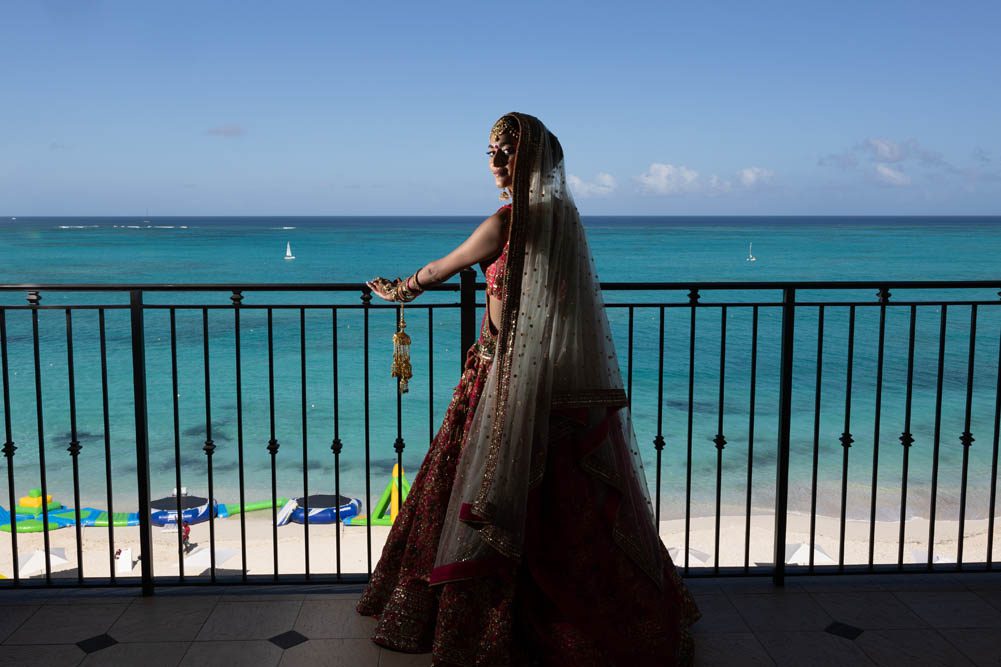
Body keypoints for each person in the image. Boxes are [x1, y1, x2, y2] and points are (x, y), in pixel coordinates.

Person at [359, 113, 699, 666]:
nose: (495, 163)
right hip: (551, 381)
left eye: (506, 153)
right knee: (559, 504)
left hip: (499, 378)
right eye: (491, 152)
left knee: (486, 494)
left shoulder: (505, 223)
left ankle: (488, 621)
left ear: (532, 162)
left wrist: (398, 290)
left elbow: (440, 270)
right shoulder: (566, 223)